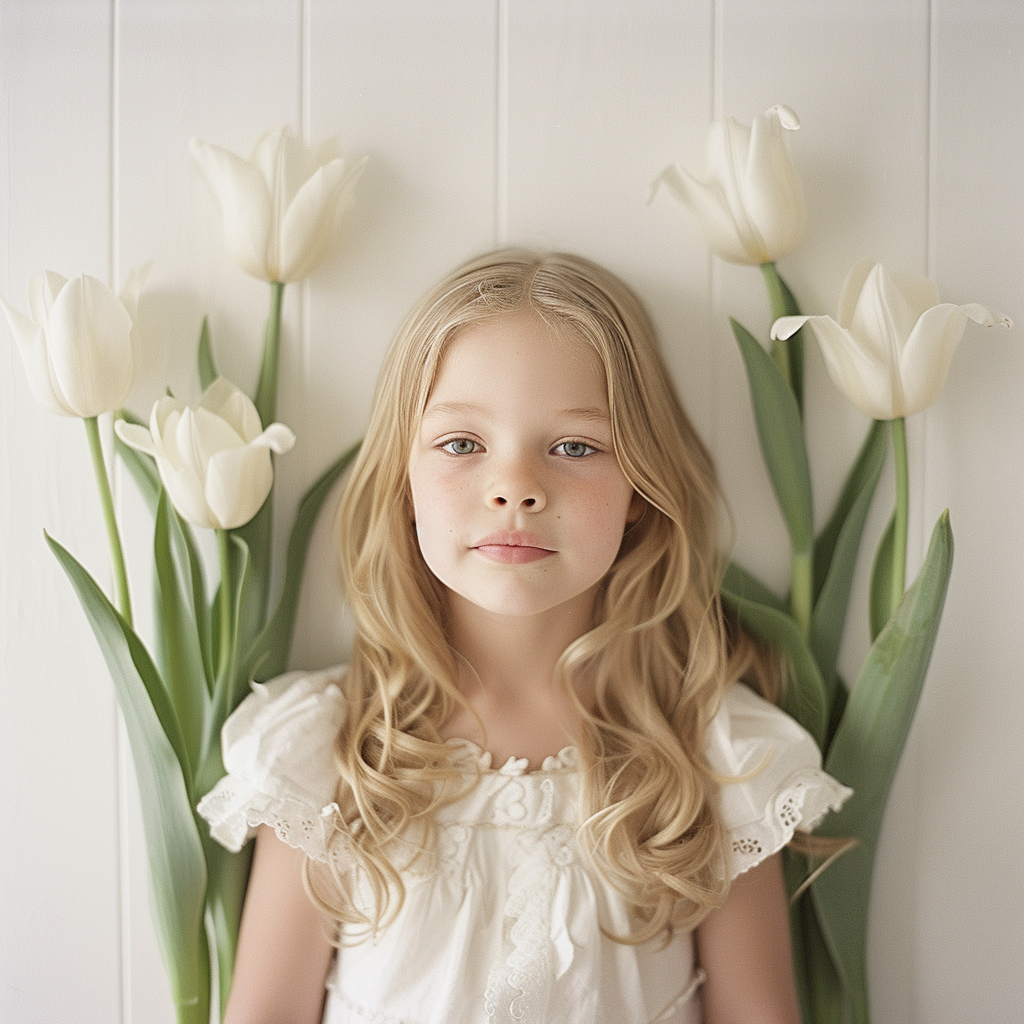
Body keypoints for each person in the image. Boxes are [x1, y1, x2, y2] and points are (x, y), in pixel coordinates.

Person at [198, 249, 850, 1024]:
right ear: (403, 480)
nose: (515, 486)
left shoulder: (714, 759)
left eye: (575, 447)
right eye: (462, 444)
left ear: (641, 488)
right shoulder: (333, 754)